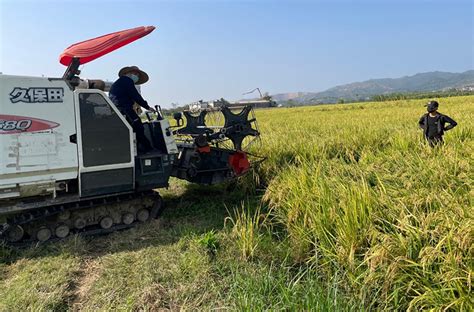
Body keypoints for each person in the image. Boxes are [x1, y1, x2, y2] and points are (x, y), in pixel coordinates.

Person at [109, 66, 156, 153]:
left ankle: (136, 148)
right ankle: (148, 148)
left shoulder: (118, 83)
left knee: (131, 129)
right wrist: (147, 107)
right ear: (128, 73)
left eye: (137, 75)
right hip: (125, 109)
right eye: (135, 74)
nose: (136, 76)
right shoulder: (127, 81)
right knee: (139, 127)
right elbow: (136, 96)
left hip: (117, 110)